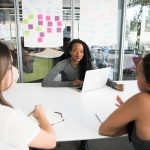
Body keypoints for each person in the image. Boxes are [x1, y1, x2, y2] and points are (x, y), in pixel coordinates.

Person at [0, 42, 56, 150]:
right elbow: (51, 141)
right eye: (9, 66)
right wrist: (41, 115)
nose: (15, 70)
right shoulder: (7, 117)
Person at [99, 53, 150, 150]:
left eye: (137, 74)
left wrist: (129, 113)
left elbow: (104, 130)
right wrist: (136, 113)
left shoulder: (142, 100)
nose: (136, 78)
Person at [42, 39, 123, 91]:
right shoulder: (63, 64)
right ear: (70, 51)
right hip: (66, 93)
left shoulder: (87, 62)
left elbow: (101, 76)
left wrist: (114, 85)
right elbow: (45, 82)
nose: (78, 54)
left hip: (83, 92)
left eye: (82, 51)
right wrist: (70, 83)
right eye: (75, 51)